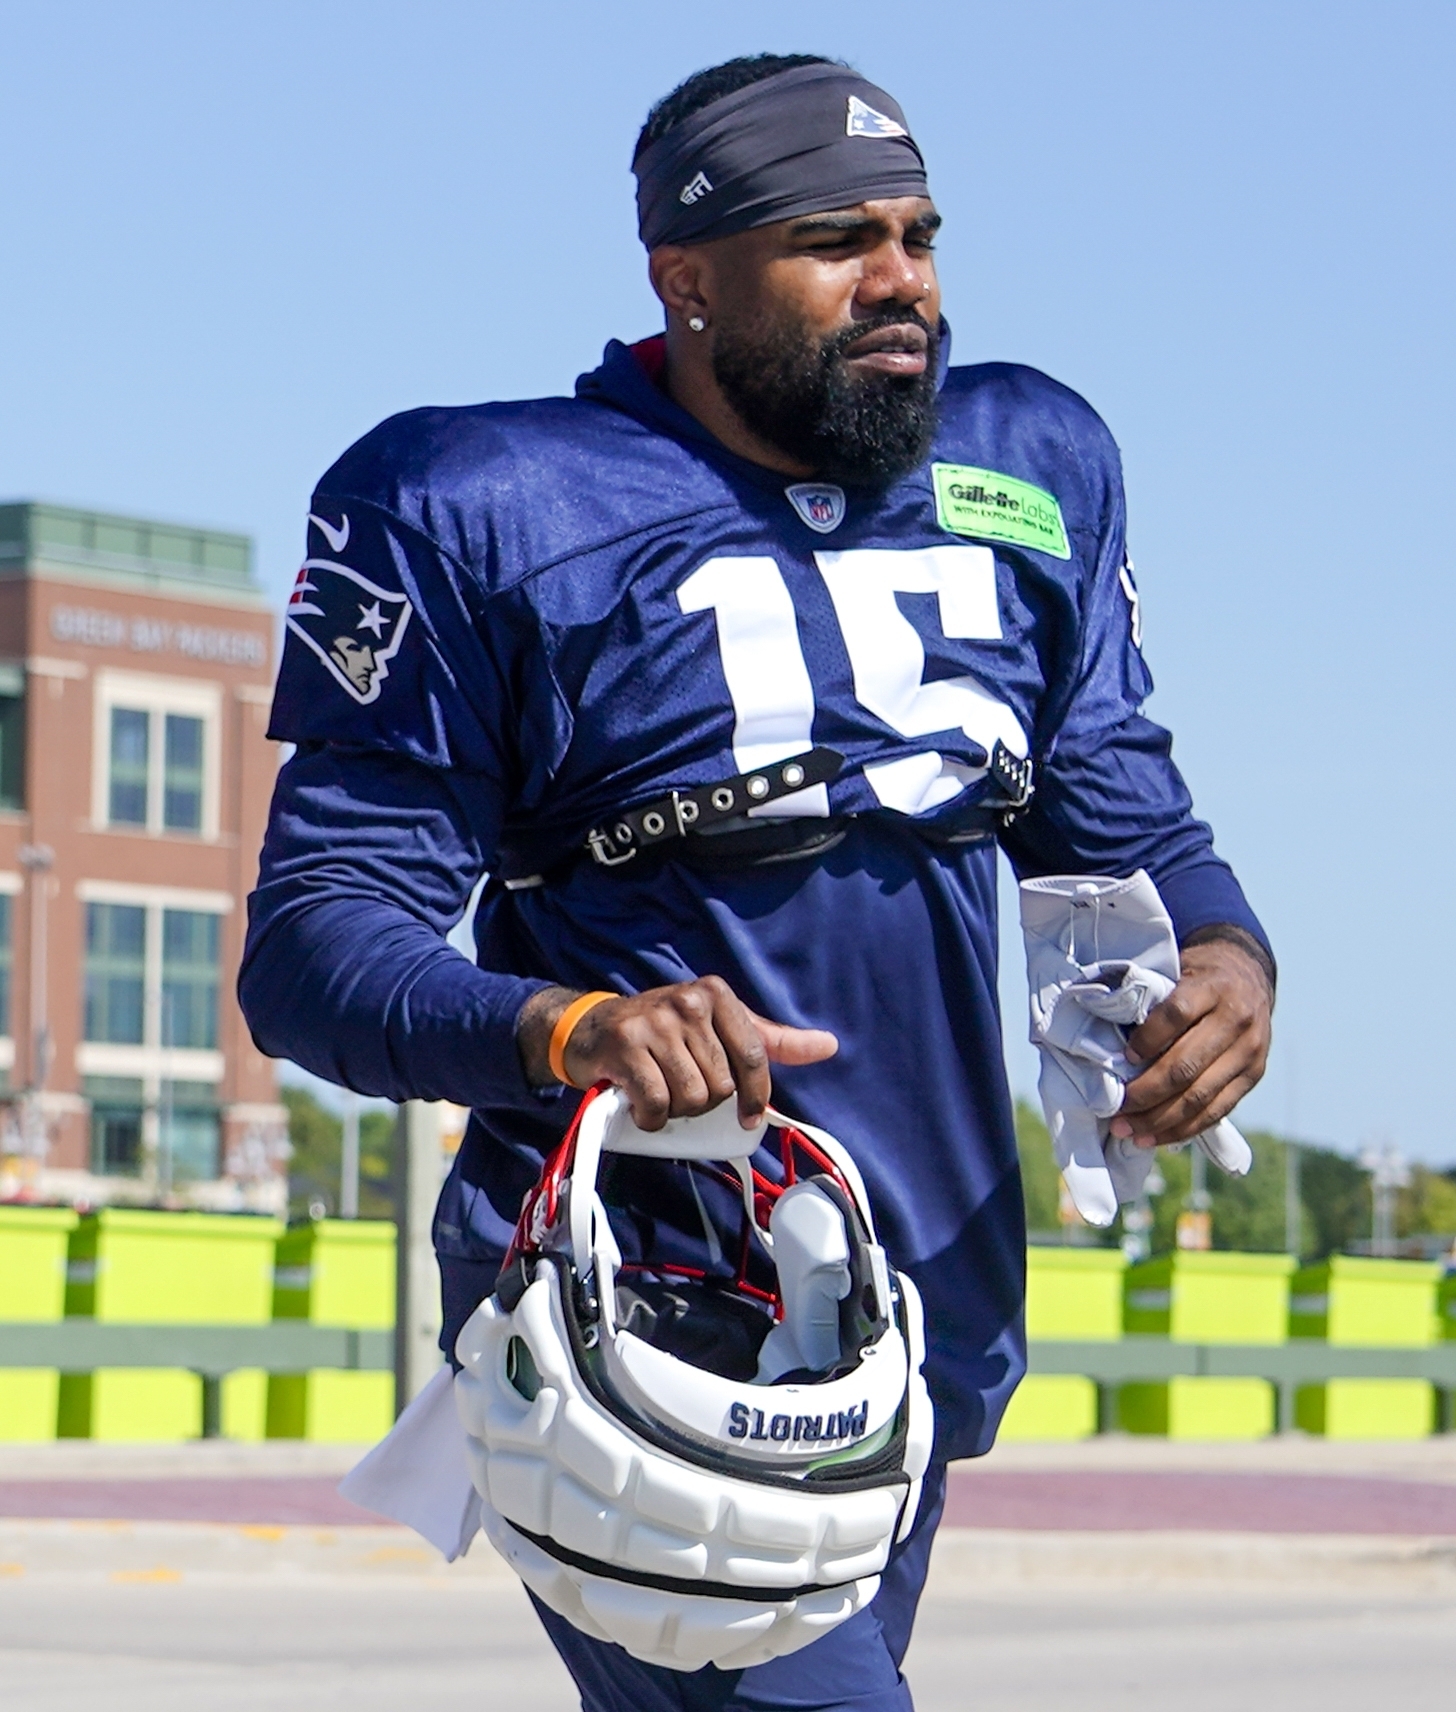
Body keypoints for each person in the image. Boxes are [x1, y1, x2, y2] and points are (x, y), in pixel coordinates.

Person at [240, 53, 1273, 1712]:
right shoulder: (479, 501)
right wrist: (572, 1023)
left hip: (922, 1270)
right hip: (642, 1277)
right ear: (686, 279)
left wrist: (1223, 952)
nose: (902, 284)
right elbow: (314, 946)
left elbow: (1109, 798)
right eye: (837, 241)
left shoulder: (1034, 458)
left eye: (921, 236)